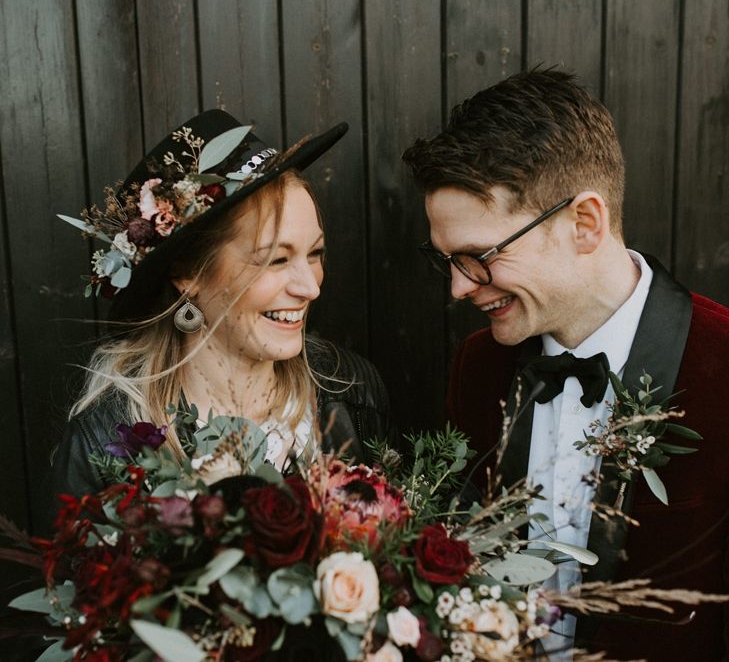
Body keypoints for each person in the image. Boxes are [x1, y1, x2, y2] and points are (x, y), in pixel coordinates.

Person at [402, 69, 729, 660]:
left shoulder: (724, 361)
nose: (457, 287)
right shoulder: (477, 367)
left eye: (477, 257)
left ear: (584, 224)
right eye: (447, 259)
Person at [47, 110, 390, 513]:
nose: (310, 286)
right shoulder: (104, 443)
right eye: (275, 261)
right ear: (188, 273)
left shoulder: (350, 390)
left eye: (314, 253)